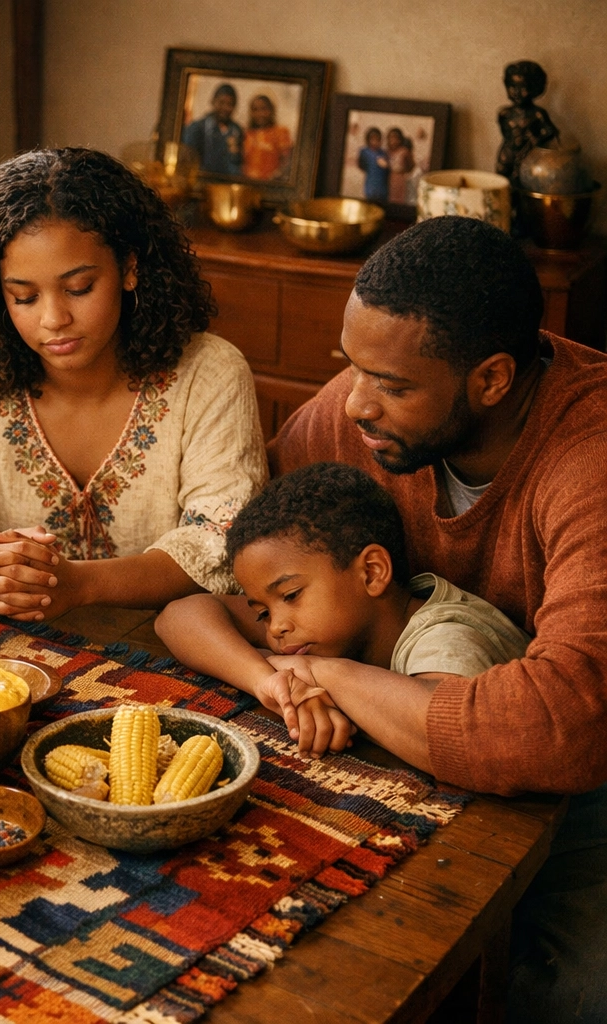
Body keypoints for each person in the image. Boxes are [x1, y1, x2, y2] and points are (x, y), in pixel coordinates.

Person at [244, 215, 605, 1024]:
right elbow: (242, 568)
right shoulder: (354, 411)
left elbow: (564, 725)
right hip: (432, 760)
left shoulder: (591, 457)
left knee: (559, 994)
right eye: (351, 368)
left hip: (584, 797)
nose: (355, 402)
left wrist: (334, 672)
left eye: (394, 386)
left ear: (492, 379)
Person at [0, 148, 265, 622]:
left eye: (79, 289)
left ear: (129, 268)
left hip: (167, 655)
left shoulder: (210, 374)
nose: (54, 319)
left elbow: (222, 544)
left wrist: (79, 584)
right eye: (24, 297)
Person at [156, 462, 530, 758]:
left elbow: (448, 735)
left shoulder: (447, 636)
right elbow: (180, 615)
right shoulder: (320, 630)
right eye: (262, 612)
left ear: (371, 573)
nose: (276, 628)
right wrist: (266, 681)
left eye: (291, 595)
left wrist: (315, 672)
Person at [496, 59, 559, 185]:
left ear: (534, 89)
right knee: (501, 179)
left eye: (522, 87)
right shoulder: (504, 113)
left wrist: (535, 139)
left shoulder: (537, 114)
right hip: (507, 153)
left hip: (529, 156)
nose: (516, 92)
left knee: (525, 182)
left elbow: (551, 132)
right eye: (512, 86)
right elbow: (505, 133)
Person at [181, 83, 244, 176]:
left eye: (230, 104)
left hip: (228, 185)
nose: (225, 108)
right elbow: (188, 160)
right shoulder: (197, 127)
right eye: (221, 102)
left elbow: (237, 163)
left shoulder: (236, 130)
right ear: (213, 101)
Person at [241, 94, 292, 182]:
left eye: (264, 109)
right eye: (255, 110)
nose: (260, 114)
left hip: (271, 184)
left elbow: (287, 162)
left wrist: (276, 177)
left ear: (271, 110)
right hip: (247, 184)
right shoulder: (246, 134)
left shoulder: (280, 132)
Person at [357, 127, 389, 201]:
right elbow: (361, 165)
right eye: (372, 139)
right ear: (368, 140)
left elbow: (387, 170)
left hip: (382, 185)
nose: (375, 142)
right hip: (371, 183)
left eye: (377, 139)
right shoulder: (364, 151)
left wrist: (385, 165)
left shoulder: (383, 153)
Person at [385, 127, 415, 204]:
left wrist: (404, 172)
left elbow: (411, 165)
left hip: (400, 179)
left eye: (396, 138)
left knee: (399, 200)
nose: (393, 141)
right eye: (391, 138)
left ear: (400, 139)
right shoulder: (386, 152)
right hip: (388, 178)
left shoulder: (404, 151)